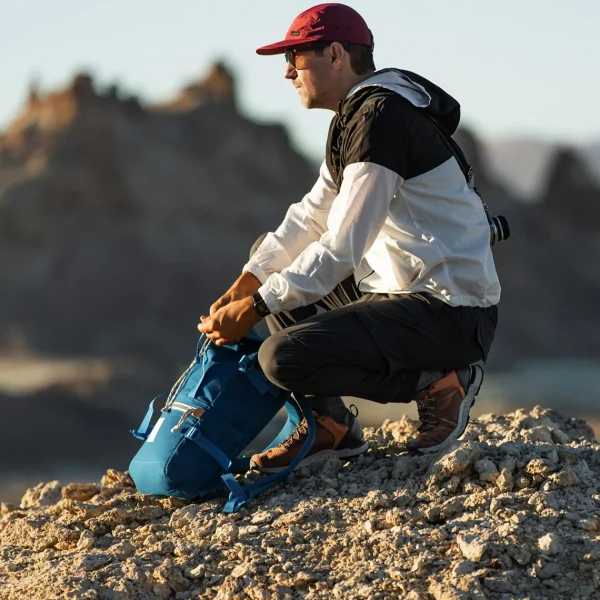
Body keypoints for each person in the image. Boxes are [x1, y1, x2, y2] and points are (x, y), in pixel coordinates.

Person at [198, 2, 500, 472]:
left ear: (335, 54)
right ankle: (329, 425)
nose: (287, 73)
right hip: (402, 294)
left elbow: (341, 246)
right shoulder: (356, 118)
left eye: (295, 58)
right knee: (268, 256)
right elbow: (310, 217)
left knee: (279, 357)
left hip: (450, 312)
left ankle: (440, 380)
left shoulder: (381, 118)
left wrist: (256, 309)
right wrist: (247, 283)